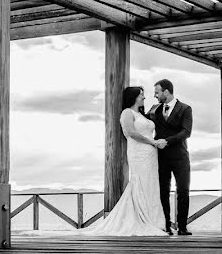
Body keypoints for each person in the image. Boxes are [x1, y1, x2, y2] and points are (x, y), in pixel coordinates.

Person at [26, 86, 167, 237]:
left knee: (151, 184)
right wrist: (152, 142)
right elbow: (131, 133)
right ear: (133, 97)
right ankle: (141, 219)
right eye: (141, 95)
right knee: (140, 183)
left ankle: (153, 221)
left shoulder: (143, 115)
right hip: (138, 153)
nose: (144, 98)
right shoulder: (127, 113)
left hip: (150, 155)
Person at [149, 79, 193, 235]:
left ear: (166, 92)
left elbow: (186, 132)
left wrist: (166, 141)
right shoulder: (154, 110)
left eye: (157, 92)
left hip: (180, 157)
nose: (154, 96)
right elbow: (143, 123)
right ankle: (165, 226)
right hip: (160, 157)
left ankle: (182, 227)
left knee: (183, 191)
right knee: (163, 191)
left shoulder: (185, 108)